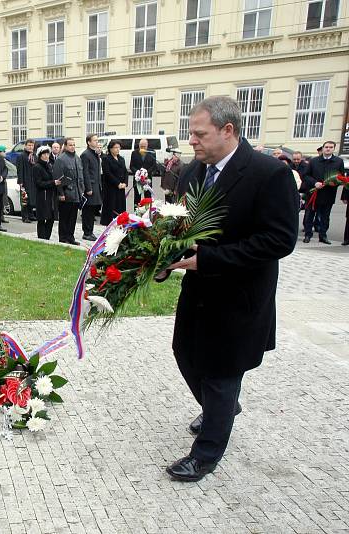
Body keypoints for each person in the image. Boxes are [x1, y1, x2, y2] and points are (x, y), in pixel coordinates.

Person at [166, 96, 298, 482]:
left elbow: (279, 240)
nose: (192, 141)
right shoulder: (194, 172)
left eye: (199, 134)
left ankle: (206, 454)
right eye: (191, 133)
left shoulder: (269, 173)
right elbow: (184, 228)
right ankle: (221, 408)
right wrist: (159, 260)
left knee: (222, 371)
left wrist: (210, 259)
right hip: (199, 290)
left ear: (228, 130)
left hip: (240, 296)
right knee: (186, 354)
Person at [301, 141, 344, 244]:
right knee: (309, 215)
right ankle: (308, 235)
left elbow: (341, 177)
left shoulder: (338, 161)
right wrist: (315, 183)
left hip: (328, 193)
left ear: (334, 149)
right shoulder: (314, 161)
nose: (328, 149)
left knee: (325, 216)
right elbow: (306, 175)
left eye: (330, 147)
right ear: (323, 148)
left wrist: (333, 183)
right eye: (326, 147)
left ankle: (323, 236)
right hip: (314, 193)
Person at [52, 137, 85, 245]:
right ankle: (63, 238)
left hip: (76, 193)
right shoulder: (60, 159)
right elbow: (58, 177)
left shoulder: (77, 158)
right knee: (64, 217)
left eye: (74, 145)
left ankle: (70, 237)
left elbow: (81, 176)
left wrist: (82, 190)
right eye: (70, 145)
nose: (72, 147)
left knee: (73, 218)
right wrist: (61, 193)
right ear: (65, 146)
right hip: (66, 193)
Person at [80, 134, 103, 241]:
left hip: (96, 186)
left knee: (92, 210)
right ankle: (87, 232)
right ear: (89, 142)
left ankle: (90, 231)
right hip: (90, 187)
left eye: (97, 140)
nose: (97, 142)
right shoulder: (85, 154)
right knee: (87, 210)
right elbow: (85, 172)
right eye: (95, 140)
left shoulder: (94, 153)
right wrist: (88, 188)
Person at [33, 146, 59, 240]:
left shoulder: (49, 165)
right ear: (40, 155)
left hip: (51, 196)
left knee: (50, 218)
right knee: (42, 219)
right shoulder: (37, 167)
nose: (46, 156)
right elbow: (38, 183)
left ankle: (47, 237)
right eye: (44, 154)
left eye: (47, 154)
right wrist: (53, 182)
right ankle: (41, 238)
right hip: (42, 196)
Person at [100, 140, 128, 225]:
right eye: (115, 147)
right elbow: (107, 173)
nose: (117, 149)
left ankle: (120, 223)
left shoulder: (121, 158)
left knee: (120, 206)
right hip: (111, 188)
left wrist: (125, 183)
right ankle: (109, 225)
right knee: (111, 207)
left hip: (121, 188)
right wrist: (117, 183)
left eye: (119, 147)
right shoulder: (106, 159)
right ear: (111, 148)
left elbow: (125, 171)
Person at [129, 138, 157, 208]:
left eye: (144, 146)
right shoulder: (134, 153)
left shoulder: (152, 152)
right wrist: (138, 173)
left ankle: (147, 213)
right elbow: (131, 166)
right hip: (137, 180)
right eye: (141, 146)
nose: (142, 148)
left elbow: (154, 166)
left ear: (147, 145)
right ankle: (137, 213)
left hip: (147, 179)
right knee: (137, 198)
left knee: (147, 198)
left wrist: (146, 173)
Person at [16, 139, 37, 223]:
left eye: (32, 145)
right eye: (29, 145)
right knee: (25, 199)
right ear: (25, 146)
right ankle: (25, 216)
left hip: (33, 181)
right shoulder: (21, 156)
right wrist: (21, 182)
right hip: (24, 181)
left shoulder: (34, 156)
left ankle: (31, 214)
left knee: (31, 198)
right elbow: (19, 170)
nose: (31, 147)